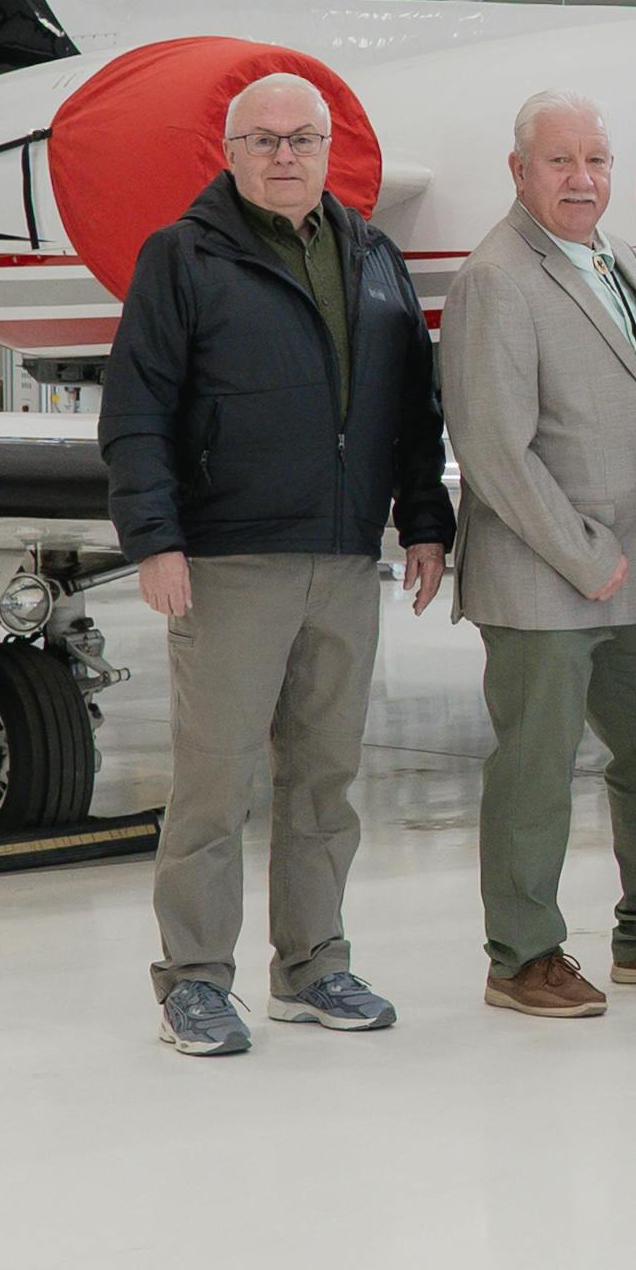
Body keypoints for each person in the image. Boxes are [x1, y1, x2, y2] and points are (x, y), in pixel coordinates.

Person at [97, 68, 451, 1059]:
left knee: (325, 780)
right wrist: (156, 539)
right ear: (231, 150)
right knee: (214, 783)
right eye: (264, 139)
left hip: (344, 559)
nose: (285, 154)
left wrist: (424, 520)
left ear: (329, 147)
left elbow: (408, 411)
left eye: (302, 138)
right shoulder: (182, 257)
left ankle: (312, 966)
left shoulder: (374, 254)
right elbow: (135, 412)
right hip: (229, 560)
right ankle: (195, 982)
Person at [437, 90, 636, 1020]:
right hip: (548, 577)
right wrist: (581, 554)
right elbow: (491, 447)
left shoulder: (614, 257)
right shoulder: (495, 278)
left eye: (595, 160)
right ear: (519, 172)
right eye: (560, 162)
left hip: (629, 573)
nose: (582, 178)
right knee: (535, 768)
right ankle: (521, 957)